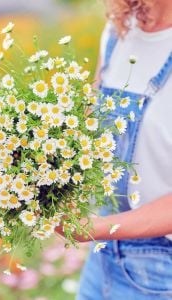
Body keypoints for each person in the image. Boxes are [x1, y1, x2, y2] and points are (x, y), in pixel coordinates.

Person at [57, 0, 172, 299]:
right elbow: (87, 135)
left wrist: (99, 227)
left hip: (162, 273)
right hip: (102, 258)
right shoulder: (118, 30)